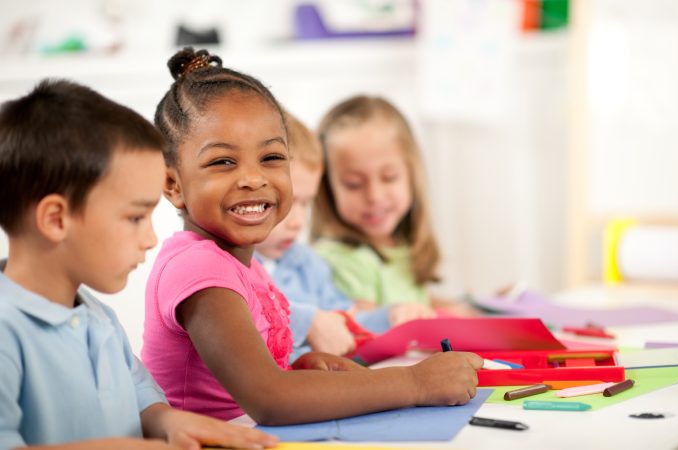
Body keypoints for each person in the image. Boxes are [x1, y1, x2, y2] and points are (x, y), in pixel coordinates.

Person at [141, 47, 483, 426]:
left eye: (271, 157)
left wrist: (299, 370)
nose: (254, 178)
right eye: (223, 162)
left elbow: (262, 383)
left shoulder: (241, 263)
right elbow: (269, 399)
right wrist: (415, 382)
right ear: (172, 184)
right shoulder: (198, 268)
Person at [0, 80, 277, 449]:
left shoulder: (97, 317)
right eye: (135, 218)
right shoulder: (7, 333)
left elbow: (143, 400)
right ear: (56, 219)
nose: (149, 239)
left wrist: (170, 423)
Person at [312, 95, 479, 323]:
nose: (374, 196)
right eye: (354, 184)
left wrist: (469, 306)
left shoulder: (399, 245)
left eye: (389, 178)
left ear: (412, 175)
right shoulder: (340, 259)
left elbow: (417, 301)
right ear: (328, 189)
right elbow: (362, 329)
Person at [254, 111, 395, 362]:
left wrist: (390, 317)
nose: (298, 222)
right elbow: (245, 317)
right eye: (284, 203)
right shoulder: (232, 268)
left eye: (305, 203)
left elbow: (344, 321)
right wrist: (305, 322)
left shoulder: (308, 265)